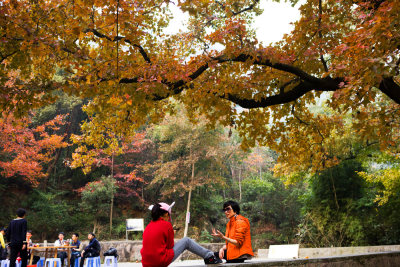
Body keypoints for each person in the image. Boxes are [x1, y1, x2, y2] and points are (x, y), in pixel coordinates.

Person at [140, 202, 222, 267]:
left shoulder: (148, 226)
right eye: (169, 216)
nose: (169, 219)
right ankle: (210, 257)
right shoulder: (166, 225)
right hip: (159, 262)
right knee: (186, 241)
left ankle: (210, 255)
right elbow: (170, 247)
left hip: (146, 263)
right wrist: (172, 234)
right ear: (165, 214)